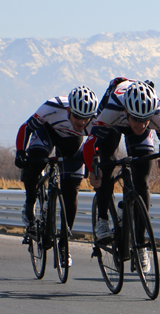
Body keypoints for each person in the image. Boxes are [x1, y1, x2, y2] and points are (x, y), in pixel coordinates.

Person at [84, 80, 160, 271]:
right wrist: (92, 170)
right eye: (137, 119)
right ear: (127, 112)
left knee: (142, 181)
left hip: (134, 118)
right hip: (113, 124)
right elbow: (89, 144)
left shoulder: (156, 112)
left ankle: (141, 246)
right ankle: (102, 221)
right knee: (106, 167)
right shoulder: (113, 108)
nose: (142, 124)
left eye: (145, 120)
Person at [17, 86, 100, 250]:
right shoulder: (52, 107)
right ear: (69, 109)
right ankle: (30, 203)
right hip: (47, 133)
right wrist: (20, 152)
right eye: (77, 116)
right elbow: (26, 128)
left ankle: (64, 242)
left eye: (86, 118)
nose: (81, 122)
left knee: (72, 188)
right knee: (35, 161)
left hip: (72, 142)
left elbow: (98, 146)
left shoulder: (97, 119)